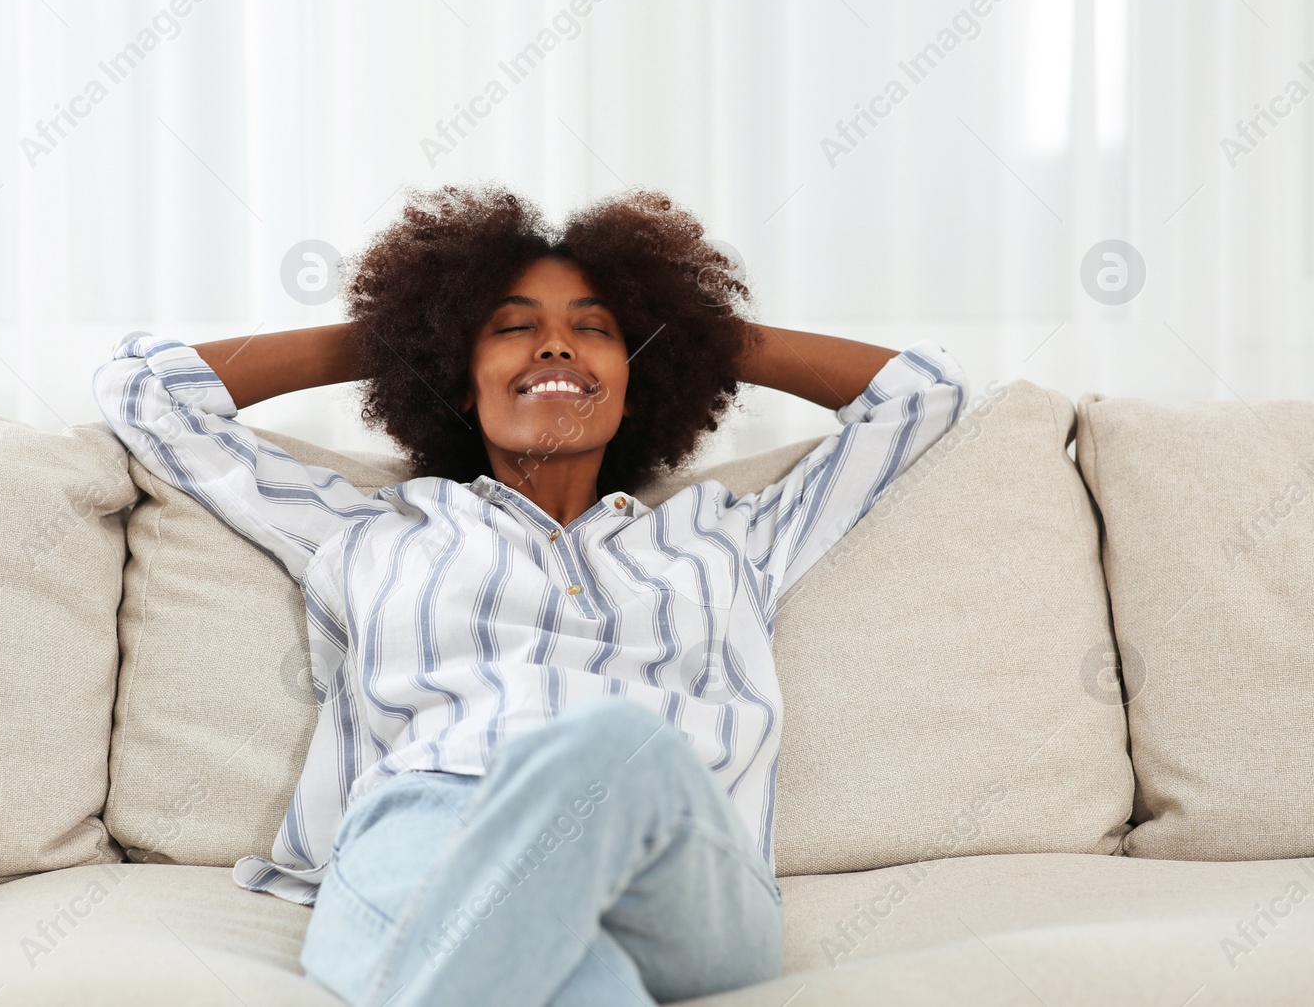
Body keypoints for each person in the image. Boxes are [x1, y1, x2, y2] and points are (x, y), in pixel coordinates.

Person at [92, 184, 968, 1006]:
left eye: (596, 330)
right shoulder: (370, 528)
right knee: (583, 984)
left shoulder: (729, 537)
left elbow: (920, 395)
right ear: (456, 370)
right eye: (512, 328)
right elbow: (146, 393)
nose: (556, 344)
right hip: (430, 830)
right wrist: (403, 331)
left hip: (674, 861)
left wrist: (687, 329)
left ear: (641, 373)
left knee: (616, 741)